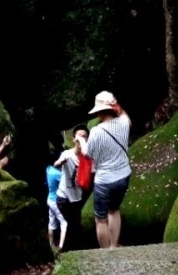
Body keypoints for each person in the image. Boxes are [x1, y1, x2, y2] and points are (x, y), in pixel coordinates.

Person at [86, 90, 131, 249]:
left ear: (99, 111)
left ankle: (106, 253)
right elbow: (124, 115)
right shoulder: (125, 123)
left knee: (101, 219)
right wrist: (117, 107)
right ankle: (114, 246)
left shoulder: (96, 132)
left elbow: (89, 154)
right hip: (123, 176)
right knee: (114, 210)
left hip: (104, 180)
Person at [54, 125, 89, 252]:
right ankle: (66, 250)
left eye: (84, 136)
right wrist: (61, 162)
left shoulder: (87, 158)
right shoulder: (67, 154)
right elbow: (56, 164)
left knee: (76, 225)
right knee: (71, 225)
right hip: (63, 197)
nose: (81, 139)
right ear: (74, 139)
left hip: (77, 198)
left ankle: (74, 250)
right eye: (79, 136)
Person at [46, 153, 67, 252]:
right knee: (64, 223)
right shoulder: (57, 174)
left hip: (49, 199)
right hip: (55, 201)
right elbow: (65, 181)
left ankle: (50, 244)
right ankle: (61, 247)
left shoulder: (48, 169)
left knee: (51, 222)